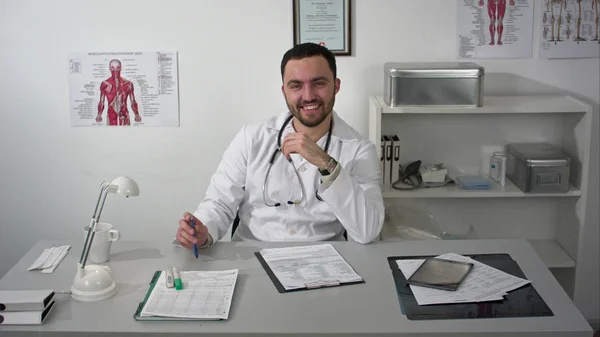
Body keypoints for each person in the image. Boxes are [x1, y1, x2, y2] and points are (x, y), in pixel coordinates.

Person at [175, 42, 384, 249]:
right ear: (284, 91)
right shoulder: (252, 138)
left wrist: (325, 162)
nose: (309, 95)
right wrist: (203, 232)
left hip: (324, 261)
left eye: (319, 83)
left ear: (336, 86)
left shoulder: (359, 150)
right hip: (254, 258)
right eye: (296, 86)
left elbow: (368, 231)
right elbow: (219, 203)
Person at [96, 59, 141, 125]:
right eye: (112, 67)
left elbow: (133, 101)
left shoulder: (128, 84)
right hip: (111, 114)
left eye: (117, 67)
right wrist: (99, 115)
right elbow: (101, 102)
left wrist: (137, 114)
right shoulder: (104, 84)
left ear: (121, 68)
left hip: (124, 114)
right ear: (109, 68)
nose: (115, 70)